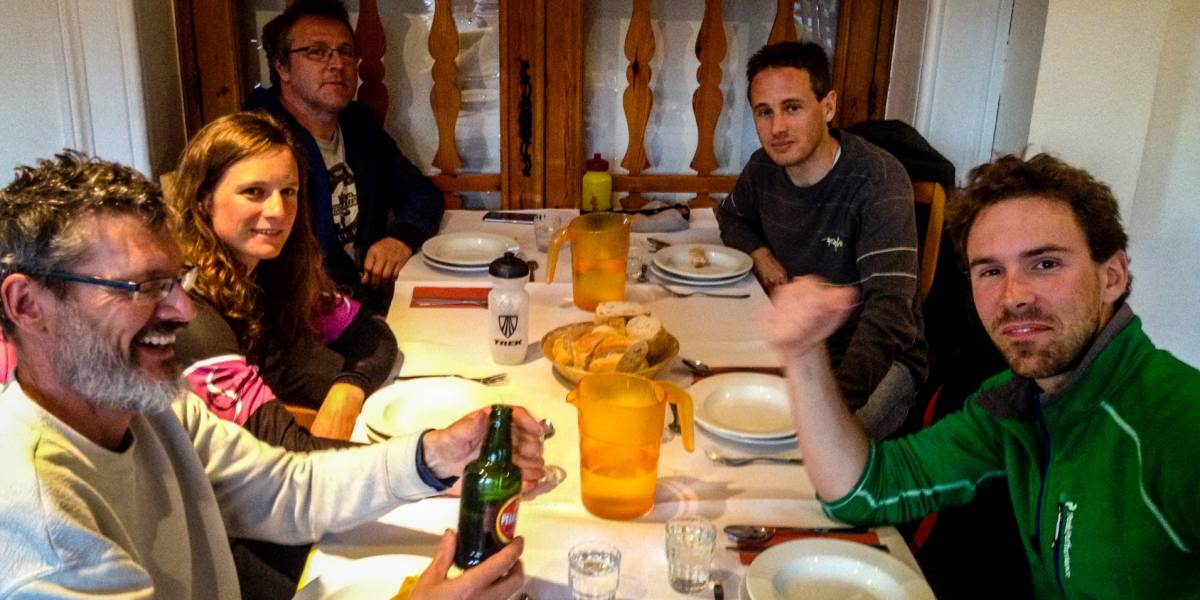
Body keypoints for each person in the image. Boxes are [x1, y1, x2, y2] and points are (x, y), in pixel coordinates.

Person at [0, 151, 544, 598]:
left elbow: (286, 489)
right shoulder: (43, 532)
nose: (183, 311)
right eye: (141, 287)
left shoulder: (150, 406)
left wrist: (437, 455)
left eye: (175, 281)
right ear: (27, 304)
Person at [763, 153, 1200, 598]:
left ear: (1112, 277)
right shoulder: (1014, 404)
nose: (1013, 296)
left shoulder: (1180, 423)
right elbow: (865, 492)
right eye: (991, 271)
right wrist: (805, 353)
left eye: (1045, 264)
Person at [717, 41, 927, 438]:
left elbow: (890, 312)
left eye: (792, 108)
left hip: (879, 362)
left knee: (805, 454)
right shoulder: (763, 168)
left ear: (827, 107)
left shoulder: (878, 179)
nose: (777, 128)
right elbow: (731, 216)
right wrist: (760, 254)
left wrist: (829, 408)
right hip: (800, 341)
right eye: (765, 112)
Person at [171, 111, 395, 444]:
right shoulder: (189, 313)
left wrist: (348, 390)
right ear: (204, 199)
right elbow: (286, 457)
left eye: (288, 191)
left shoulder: (269, 271)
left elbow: (372, 333)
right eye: (253, 191)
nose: (278, 210)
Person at [245, 0, 444, 315]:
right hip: (302, 318)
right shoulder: (257, 142)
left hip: (369, 304)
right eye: (317, 51)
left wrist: (401, 238)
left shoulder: (357, 125)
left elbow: (420, 192)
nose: (337, 63)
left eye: (346, 52)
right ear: (282, 67)